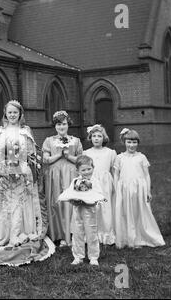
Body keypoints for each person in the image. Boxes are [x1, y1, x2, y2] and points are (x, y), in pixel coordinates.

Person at [0, 100, 54, 266]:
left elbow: (32, 152)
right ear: (5, 114)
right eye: (9, 112)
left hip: (22, 171)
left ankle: (19, 233)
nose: (12, 115)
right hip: (4, 170)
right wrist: (4, 161)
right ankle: (1, 234)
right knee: (4, 203)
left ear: (20, 114)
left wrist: (20, 163)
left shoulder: (25, 131)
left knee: (19, 202)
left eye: (15, 113)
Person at [114, 128, 165, 249]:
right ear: (124, 142)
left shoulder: (141, 157)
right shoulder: (120, 157)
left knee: (139, 212)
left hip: (139, 188)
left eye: (134, 142)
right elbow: (116, 174)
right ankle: (128, 237)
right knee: (126, 212)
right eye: (129, 142)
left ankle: (139, 237)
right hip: (125, 188)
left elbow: (146, 175)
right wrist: (117, 189)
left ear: (138, 143)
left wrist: (147, 190)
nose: (132, 145)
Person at [42, 110, 83, 247]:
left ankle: (71, 235)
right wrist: (58, 155)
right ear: (55, 126)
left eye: (64, 124)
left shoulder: (75, 141)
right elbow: (45, 159)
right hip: (54, 175)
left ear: (68, 124)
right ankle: (57, 234)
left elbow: (81, 160)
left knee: (70, 203)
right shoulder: (49, 141)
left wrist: (69, 156)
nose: (61, 127)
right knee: (56, 202)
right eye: (58, 124)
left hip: (70, 174)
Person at [58, 155, 104, 266]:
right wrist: (73, 201)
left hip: (90, 211)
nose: (87, 172)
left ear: (93, 168)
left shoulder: (95, 182)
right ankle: (78, 256)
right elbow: (70, 194)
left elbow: (99, 195)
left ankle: (93, 257)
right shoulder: (75, 181)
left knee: (91, 233)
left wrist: (93, 201)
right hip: (77, 211)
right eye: (83, 170)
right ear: (77, 170)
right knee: (77, 233)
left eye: (89, 169)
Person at [84, 124, 117, 245]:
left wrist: (115, 185)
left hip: (106, 183)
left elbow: (114, 171)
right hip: (92, 182)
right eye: (94, 136)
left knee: (106, 207)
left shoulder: (110, 153)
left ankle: (107, 233)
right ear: (90, 138)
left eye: (99, 136)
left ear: (104, 138)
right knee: (94, 207)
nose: (96, 138)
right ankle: (93, 234)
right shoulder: (86, 153)